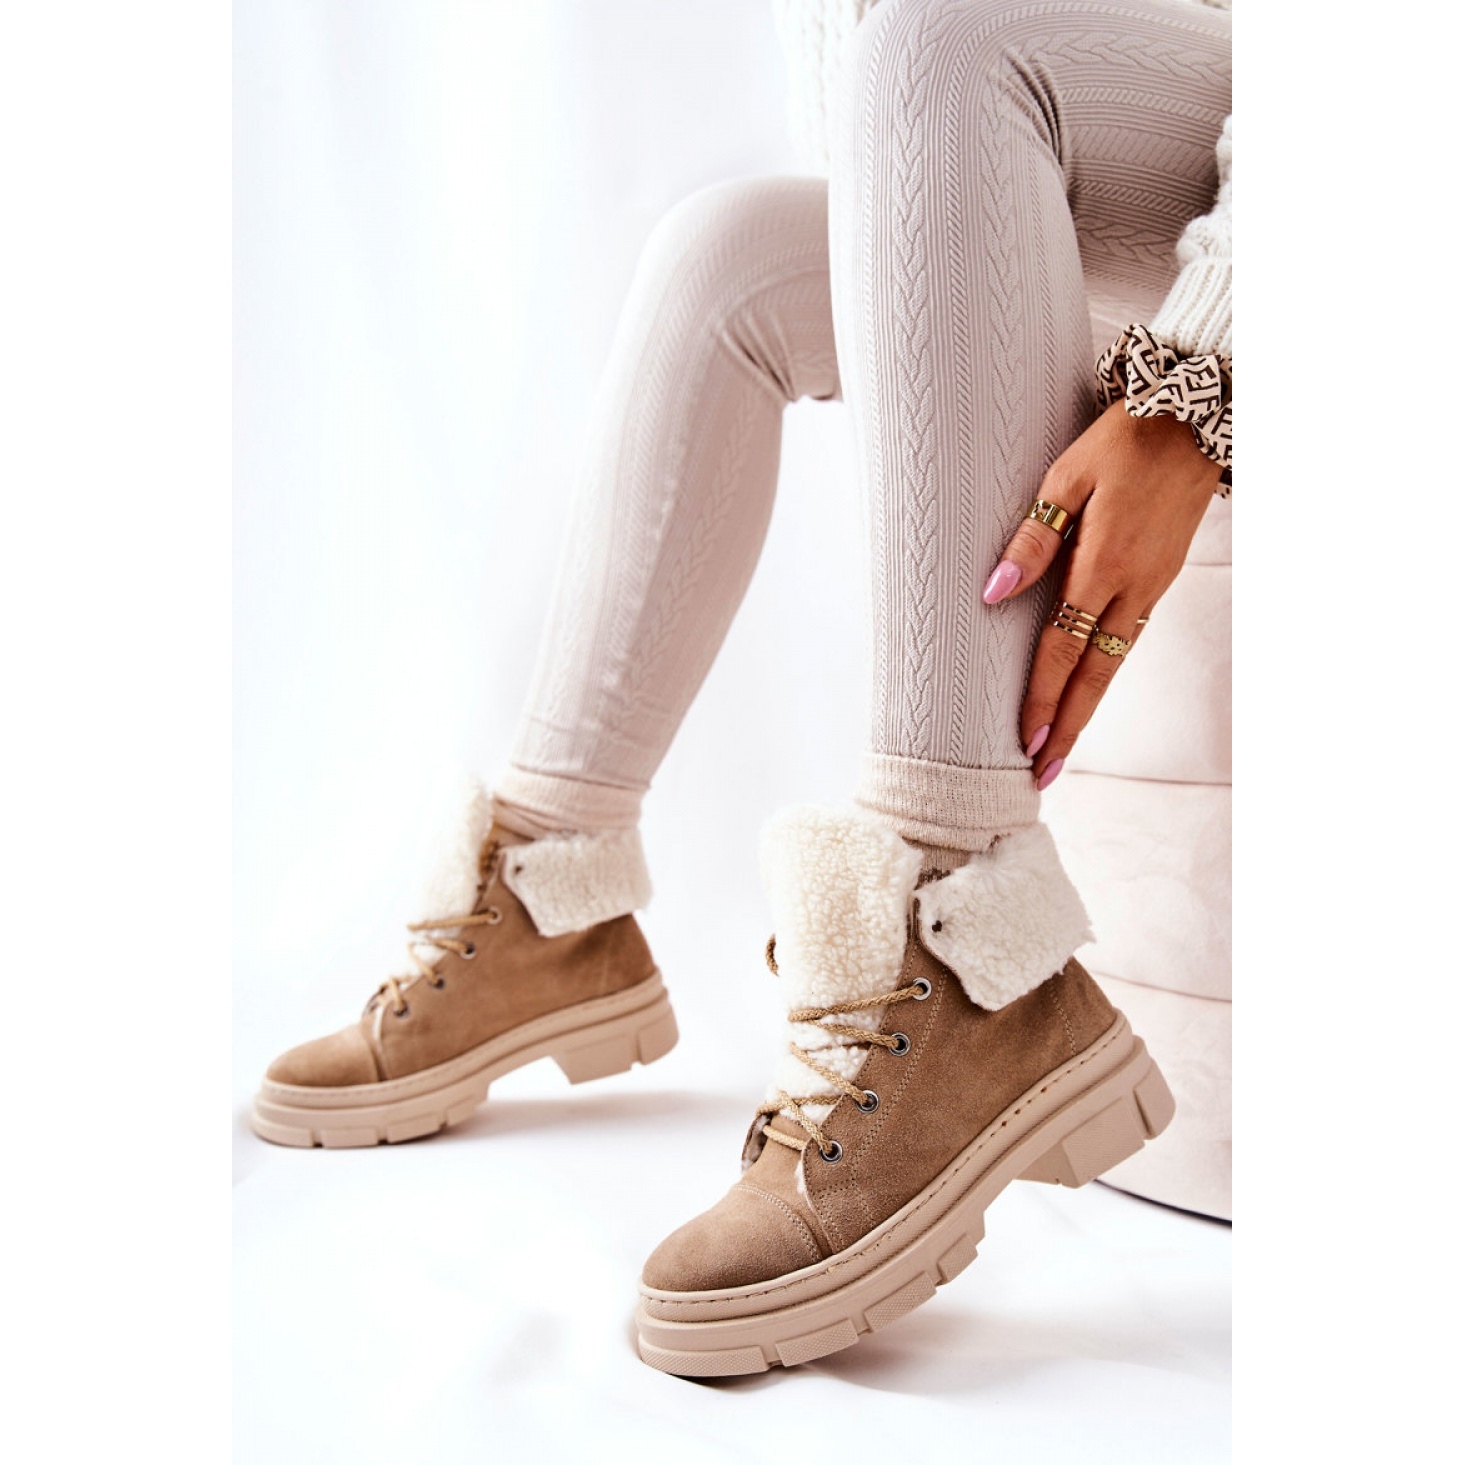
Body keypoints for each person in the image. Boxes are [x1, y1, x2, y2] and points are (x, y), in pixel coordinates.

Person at [251, 0, 1231, 1376]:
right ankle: (550, 886)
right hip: (1106, 162)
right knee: (727, 254)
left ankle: (960, 928)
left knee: (945, 39)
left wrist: (1197, 384)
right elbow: (886, 135)